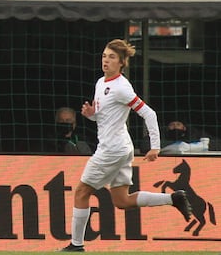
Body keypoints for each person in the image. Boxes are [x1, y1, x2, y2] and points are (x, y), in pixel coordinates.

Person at [60, 39, 193, 252]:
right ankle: (173, 198)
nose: (106, 60)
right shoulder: (101, 83)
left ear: (122, 62)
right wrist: (92, 115)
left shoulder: (122, 87)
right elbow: (106, 118)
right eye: (104, 56)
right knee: (122, 201)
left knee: (81, 192)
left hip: (112, 150)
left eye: (111, 57)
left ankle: (76, 245)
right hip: (121, 148)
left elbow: (149, 113)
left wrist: (155, 146)